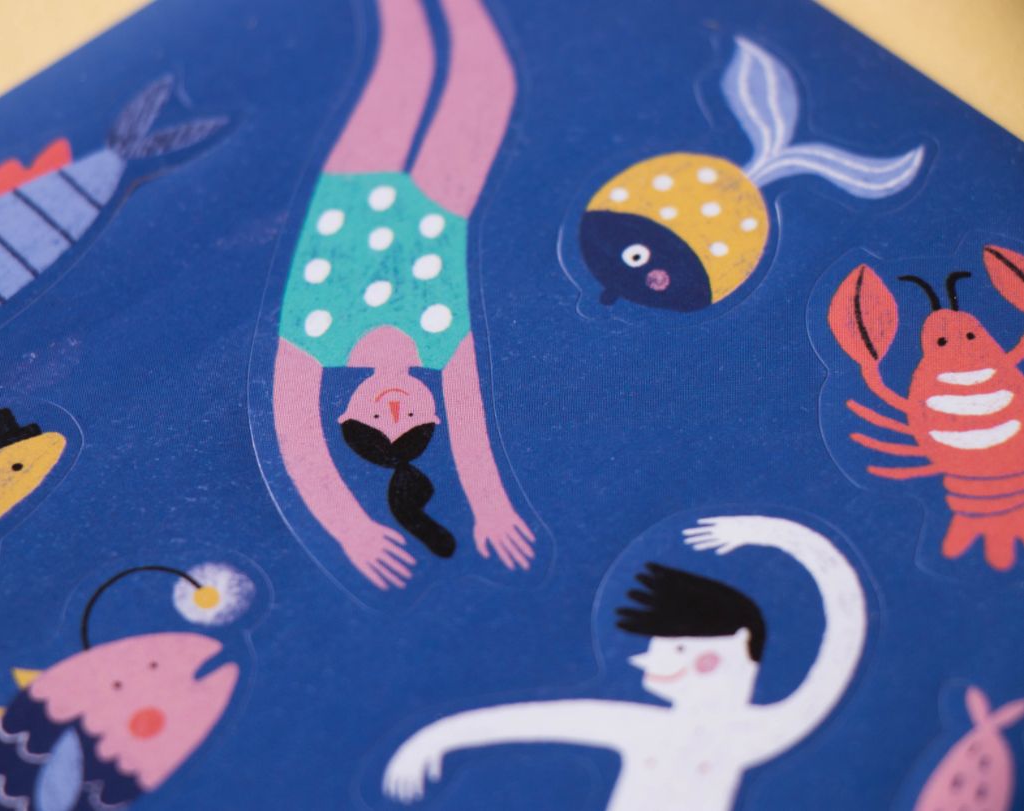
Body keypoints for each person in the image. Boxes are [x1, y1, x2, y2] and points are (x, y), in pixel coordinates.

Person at [271, 0, 533, 591]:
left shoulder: (311, 345)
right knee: (490, 84)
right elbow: (473, 436)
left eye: (375, 420)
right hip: (444, 201)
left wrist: (349, 528)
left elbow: (297, 437)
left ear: (345, 411)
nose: (394, 408)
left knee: (402, 68)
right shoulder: (444, 346)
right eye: (411, 419)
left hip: (351, 191)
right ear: (435, 410)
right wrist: (490, 508)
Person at [382, 516, 867, 810]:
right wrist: (435, 738)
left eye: (677, 648)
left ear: (736, 648)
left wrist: (773, 533)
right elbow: (539, 720)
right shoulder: (649, 729)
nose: (647, 658)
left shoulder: (759, 732)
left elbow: (843, 636)